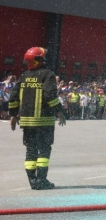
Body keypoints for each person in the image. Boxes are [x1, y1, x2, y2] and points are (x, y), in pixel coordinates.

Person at [8, 47, 66, 190]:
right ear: (39, 59)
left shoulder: (24, 76)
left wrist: (13, 115)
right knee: (44, 151)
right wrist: (59, 111)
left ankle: (32, 181)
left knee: (31, 150)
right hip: (43, 120)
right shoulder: (47, 75)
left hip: (27, 121)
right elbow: (50, 95)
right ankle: (41, 180)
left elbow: (14, 96)